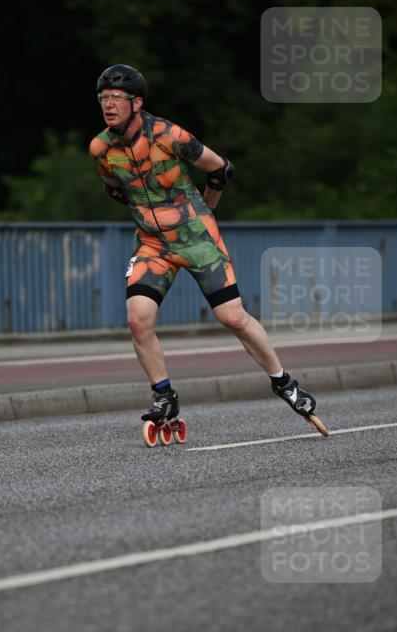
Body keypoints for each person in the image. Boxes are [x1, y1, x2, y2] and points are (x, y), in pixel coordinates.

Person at [89, 64, 318, 428]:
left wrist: (206, 208)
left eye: (117, 98)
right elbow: (115, 189)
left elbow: (221, 168)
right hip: (152, 245)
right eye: (103, 98)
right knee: (138, 320)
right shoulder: (101, 148)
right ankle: (164, 396)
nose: (108, 104)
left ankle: (284, 382)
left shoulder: (168, 134)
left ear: (137, 102)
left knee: (233, 318)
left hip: (197, 238)